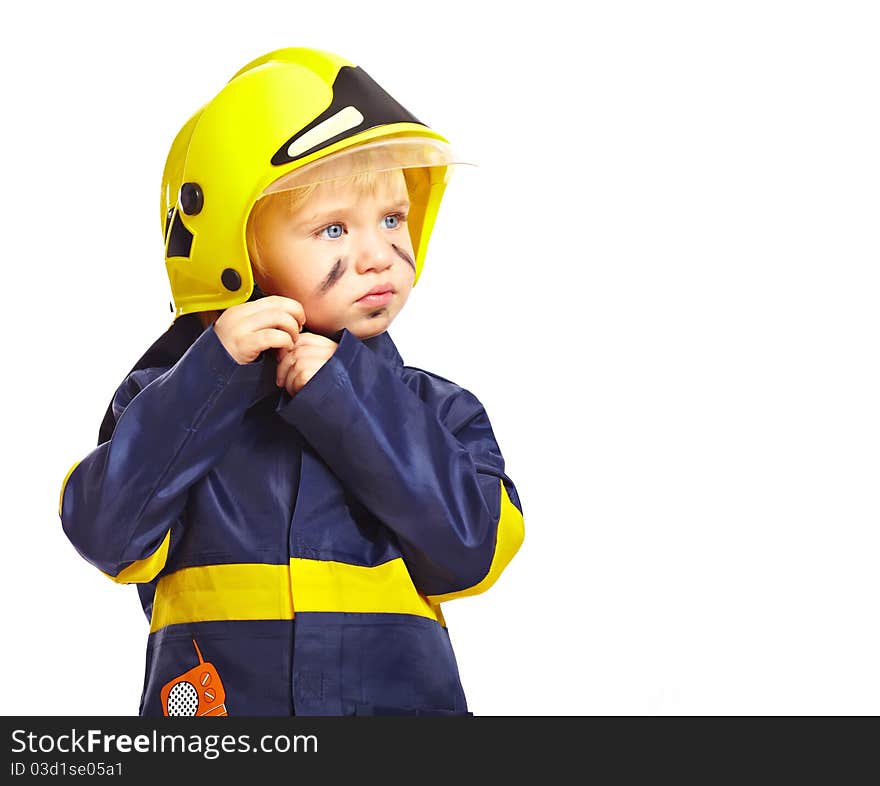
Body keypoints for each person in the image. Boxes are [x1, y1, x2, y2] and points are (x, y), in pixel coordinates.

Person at [58, 46, 524, 717]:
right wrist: (210, 376)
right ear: (231, 245)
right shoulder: (165, 402)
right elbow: (106, 534)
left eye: (392, 219)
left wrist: (350, 403)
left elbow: (470, 554)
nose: (378, 255)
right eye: (333, 228)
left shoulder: (439, 411)